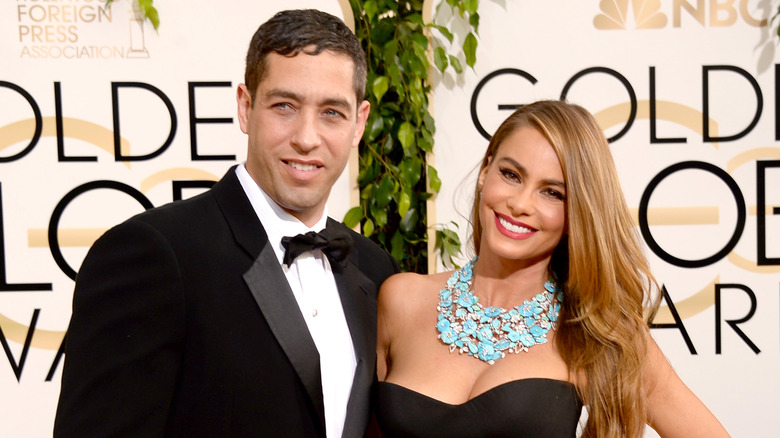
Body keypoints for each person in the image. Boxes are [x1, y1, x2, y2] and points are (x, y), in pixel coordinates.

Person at [54, 9, 399, 438]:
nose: (307, 138)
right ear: (245, 106)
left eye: (332, 112)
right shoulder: (154, 254)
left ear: (359, 123)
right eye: (285, 106)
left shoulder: (376, 270)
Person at [374, 100, 730, 437]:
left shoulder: (595, 332)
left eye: (553, 193)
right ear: (485, 171)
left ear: (578, 214)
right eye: (511, 174)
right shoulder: (401, 299)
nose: (520, 203)